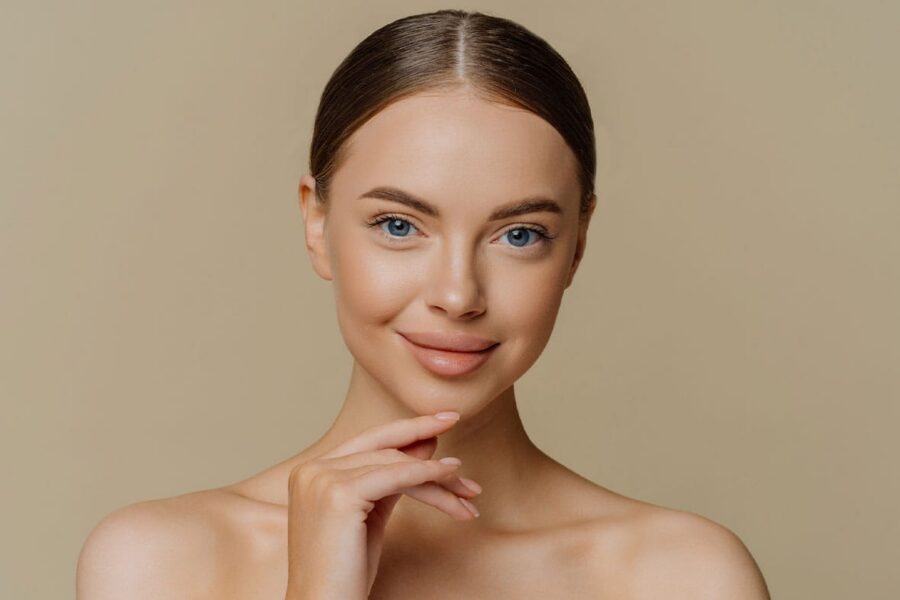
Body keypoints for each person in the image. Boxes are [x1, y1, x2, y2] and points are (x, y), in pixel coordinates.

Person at [76, 9, 770, 599]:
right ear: (317, 225)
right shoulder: (158, 565)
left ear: (578, 246)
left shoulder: (683, 576)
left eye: (520, 234)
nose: (457, 295)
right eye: (399, 226)